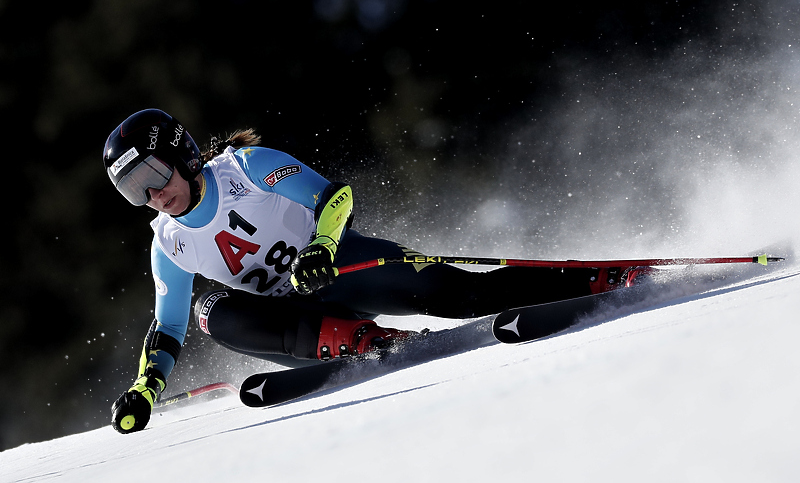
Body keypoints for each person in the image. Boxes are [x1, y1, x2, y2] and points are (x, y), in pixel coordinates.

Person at [103, 108, 634, 434]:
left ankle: (591, 278)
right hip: (300, 322)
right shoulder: (166, 243)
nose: (152, 195)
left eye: (151, 174)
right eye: (133, 190)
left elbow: (335, 196)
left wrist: (322, 245)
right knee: (207, 311)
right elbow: (166, 327)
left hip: (341, 269)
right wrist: (146, 388)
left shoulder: (246, 168)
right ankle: (359, 341)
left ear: (181, 152)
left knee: (456, 295)